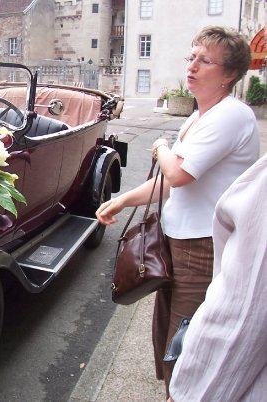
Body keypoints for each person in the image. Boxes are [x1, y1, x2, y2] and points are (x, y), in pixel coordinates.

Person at [95, 26, 259, 395]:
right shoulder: (200, 116)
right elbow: (169, 183)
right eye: (192, 56)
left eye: (205, 60)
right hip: (179, 240)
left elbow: (178, 173)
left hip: (203, 247)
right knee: (170, 328)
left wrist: (160, 147)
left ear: (229, 74)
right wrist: (121, 200)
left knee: (187, 341)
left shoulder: (230, 115)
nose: (193, 65)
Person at [167, 153, 267, 401]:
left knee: (181, 331)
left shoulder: (230, 116)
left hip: (198, 245)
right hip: (177, 238)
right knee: (173, 336)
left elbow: (245, 312)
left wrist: (189, 394)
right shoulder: (195, 121)